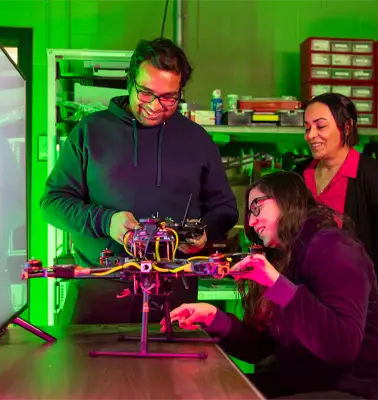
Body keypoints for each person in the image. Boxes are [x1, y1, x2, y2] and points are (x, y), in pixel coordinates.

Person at [40, 37, 238, 324]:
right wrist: (106, 221)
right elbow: (52, 202)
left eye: (169, 97)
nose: (156, 106)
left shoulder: (197, 140)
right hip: (100, 287)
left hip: (174, 292)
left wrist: (203, 233)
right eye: (146, 92)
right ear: (129, 80)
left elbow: (225, 210)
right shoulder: (90, 132)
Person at [162, 172, 378, 400]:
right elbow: (260, 347)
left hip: (358, 389)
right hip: (303, 382)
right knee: (211, 389)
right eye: (248, 212)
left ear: (287, 200)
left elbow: (341, 347)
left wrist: (275, 283)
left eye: (256, 207)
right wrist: (214, 317)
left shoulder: (335, 247)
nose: (251, 220)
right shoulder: (284, 258)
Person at [292, 93, 378, 316]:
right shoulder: (299, 174)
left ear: (347, 127)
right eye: (307, 128)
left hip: (353, 306)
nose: (311, 135)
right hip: (303, 300)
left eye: (320, 126)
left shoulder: (368, 173)